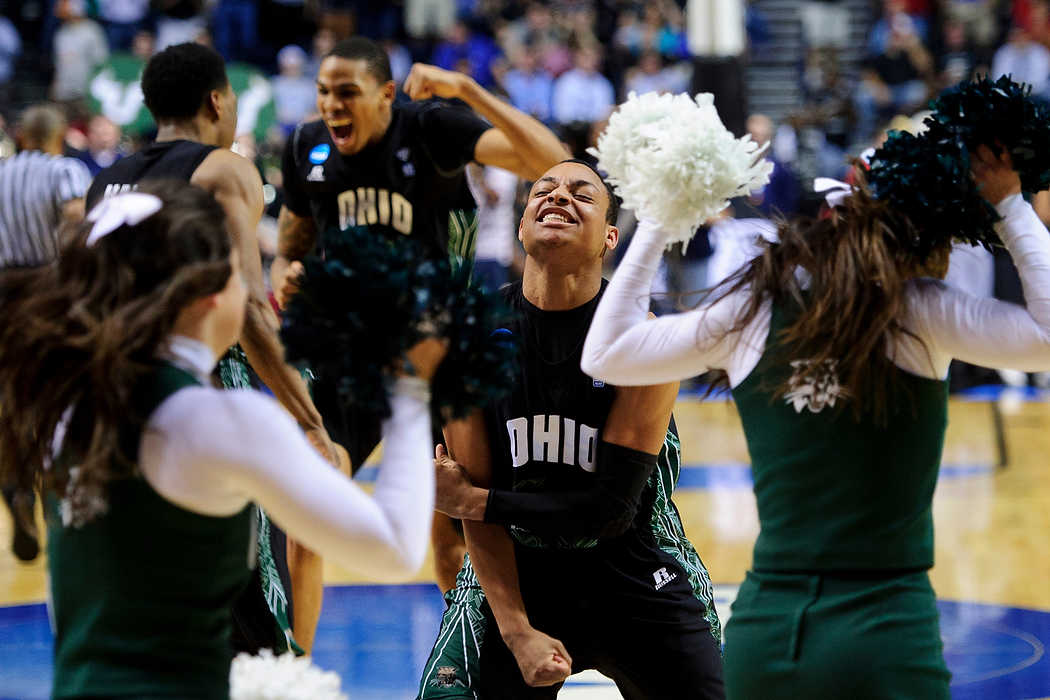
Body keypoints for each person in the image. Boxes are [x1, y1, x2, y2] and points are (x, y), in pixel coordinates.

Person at [581, 148, 1050, 698]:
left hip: (768, 629)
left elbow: (605, 354)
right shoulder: (919, 310)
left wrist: (659, 218)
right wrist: (1010, 205)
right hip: (887, 630)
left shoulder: (751, 310)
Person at [0, 180, 444, 700]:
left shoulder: (62, 396)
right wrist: (411, 387)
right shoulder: (218, 421)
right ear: (212, 290)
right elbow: (394, 547)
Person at [416, 160, 724, 699]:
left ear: (610, 237)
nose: (559, 197)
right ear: (520, 224)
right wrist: (516, 632)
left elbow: (608, 511)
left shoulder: (642, 339)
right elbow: (473, 517)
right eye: (544, 190)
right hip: (516, 571)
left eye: (581, 194)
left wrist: (477, 502)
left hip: (633, 566)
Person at [272, 35, 568, 593]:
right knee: (304, 516)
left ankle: (467, 665)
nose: (331, 105)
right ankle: (294, 671)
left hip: (439, 359)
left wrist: (466, 89)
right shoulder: (307, 147)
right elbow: (290, 251)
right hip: (353, 356)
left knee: (453, 541)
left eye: (346, 92)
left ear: (386, 94)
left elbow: (553, 162)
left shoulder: (430, 128)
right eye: (322, 92)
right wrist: (285, 279)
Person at [85, 42, 333, 654]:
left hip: (112, 410)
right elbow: (249, 306)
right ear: (218, 101)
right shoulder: (223, 169)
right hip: (202, 400)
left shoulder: (102, 185)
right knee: (252, 613)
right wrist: (308, 421)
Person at [0, 103, 91, 563]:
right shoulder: (65, 169)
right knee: (61, 396)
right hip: (47, 291)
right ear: (57, 137)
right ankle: (60, 495)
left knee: (10, 401)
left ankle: (15, 487)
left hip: (2, 295)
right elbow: (77, 216)